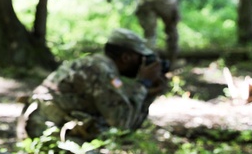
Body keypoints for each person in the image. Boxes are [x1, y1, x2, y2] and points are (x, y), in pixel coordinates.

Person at [17, 28, 166, 142]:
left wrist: (148, 92)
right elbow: (121, 122)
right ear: (126, 57)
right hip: (42, 127)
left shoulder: (102, 67)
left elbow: (126, 117)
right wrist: (143, 83)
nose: (142, 64)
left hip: (44, 123)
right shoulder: (101, 71)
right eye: (140, 58)